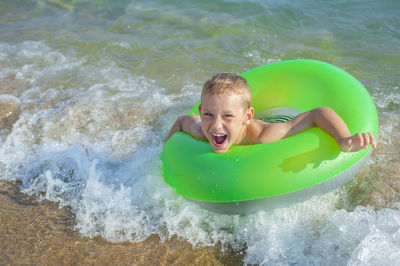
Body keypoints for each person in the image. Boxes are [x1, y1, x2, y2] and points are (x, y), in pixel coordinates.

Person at [166, 72, 377, 154]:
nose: (216, 125)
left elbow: (317, 114)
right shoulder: (203, 130)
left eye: (227, 115)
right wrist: (164, 149)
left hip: (278, 119)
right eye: (209, 115)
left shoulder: (263, 136)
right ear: (201, 111)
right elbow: (183, 120)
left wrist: (345, 140)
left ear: (247, 117)